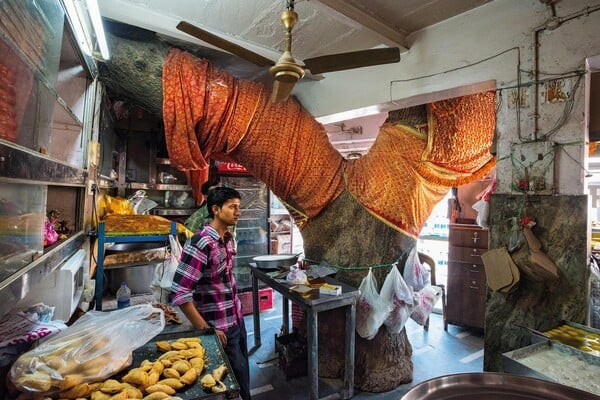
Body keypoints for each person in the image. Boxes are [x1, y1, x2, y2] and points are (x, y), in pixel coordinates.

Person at [170, 187, 251, 400]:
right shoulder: (201, 243)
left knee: (243, 378)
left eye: (239, 207)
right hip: (219, 329)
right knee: (229, 387)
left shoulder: (228, 239)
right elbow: (180, 292)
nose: (238, 212)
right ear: (216, 209)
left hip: (236, 320)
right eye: (232, 207)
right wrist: (206, 330)